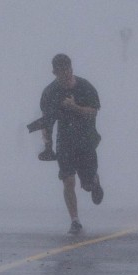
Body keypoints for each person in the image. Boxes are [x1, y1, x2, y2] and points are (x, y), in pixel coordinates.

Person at [37, 54, 104, 234]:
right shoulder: (50, 92)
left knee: (87, 185)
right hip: (64, 141)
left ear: (71, 69)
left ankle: (94, 182)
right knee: (68, 180)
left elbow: (93, 113)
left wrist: (75, 108)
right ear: (54, 73)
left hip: (86, 140)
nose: (64, 76)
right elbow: (46, 121)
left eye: (66, 71)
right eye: (60, 73)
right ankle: (75, 220)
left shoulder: (85, 87)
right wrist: (47, 144)